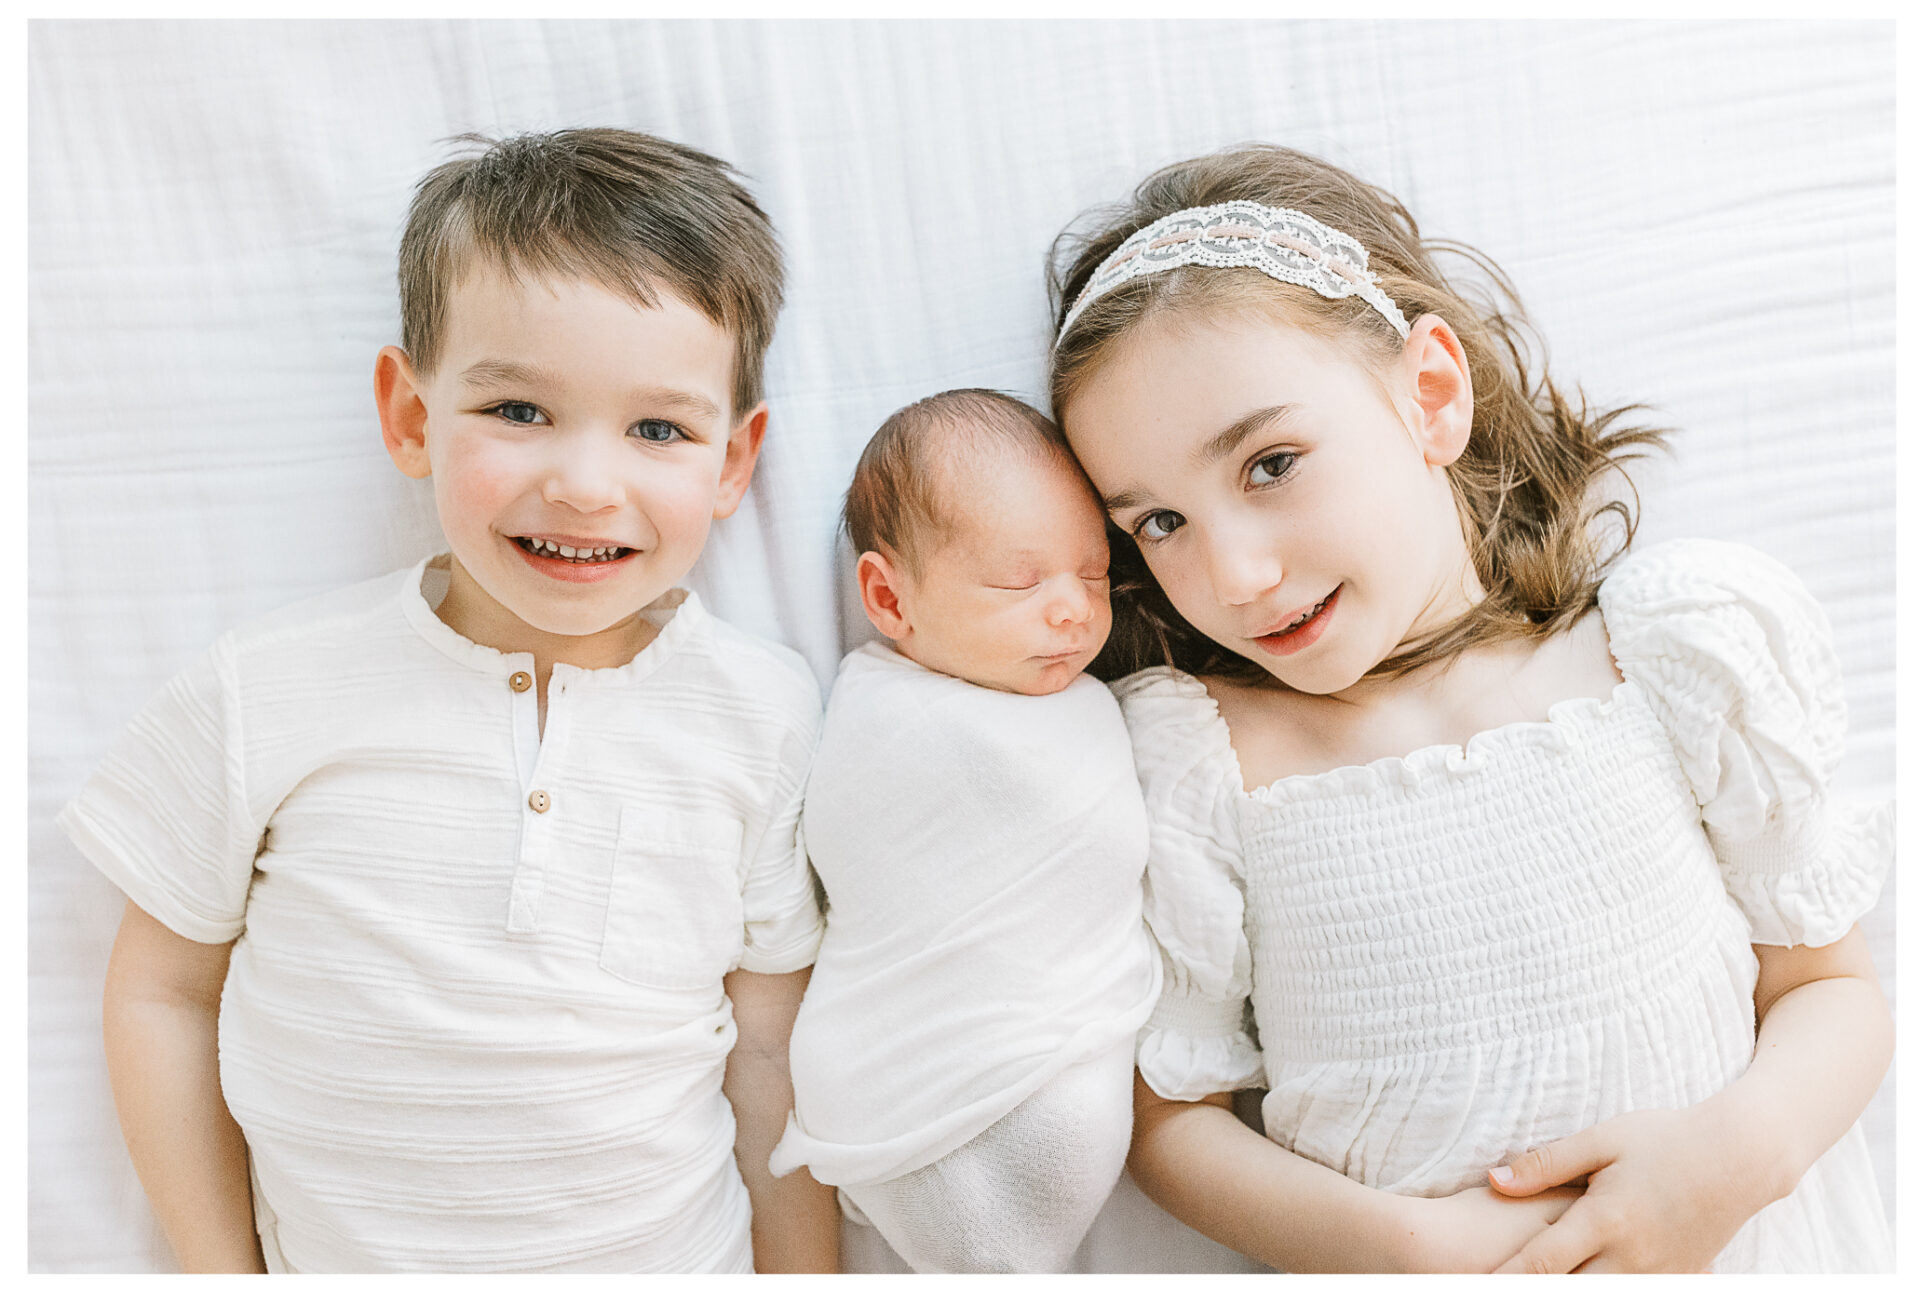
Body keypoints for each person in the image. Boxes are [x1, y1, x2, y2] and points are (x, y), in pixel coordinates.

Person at [1045, 145, 1893, 1274]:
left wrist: (1737, 1155)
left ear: (1431, 395)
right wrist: (1408, 1246)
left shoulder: (1664, 659)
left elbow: (1830, 986)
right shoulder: (1194, 763)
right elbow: (1169, 1121)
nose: (1235, 576)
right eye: (1159, 523)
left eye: (1271, 463)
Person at [57, 129, 839, 1274]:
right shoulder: (270, 686)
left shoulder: (761, 713)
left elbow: (770, 1050)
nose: (584, 483)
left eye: (658, 429)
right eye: (518, 409)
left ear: (732, 462)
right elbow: (164, 992)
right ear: (413, 416)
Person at [768, 390, 1161, 1272]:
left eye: (1095, 575)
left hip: (1062, 1053)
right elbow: (859, 851)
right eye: (1022, 582)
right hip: (908, 1061)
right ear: (888, 597)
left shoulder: (1094, 706)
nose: (1074, 609)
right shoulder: (884, 720)